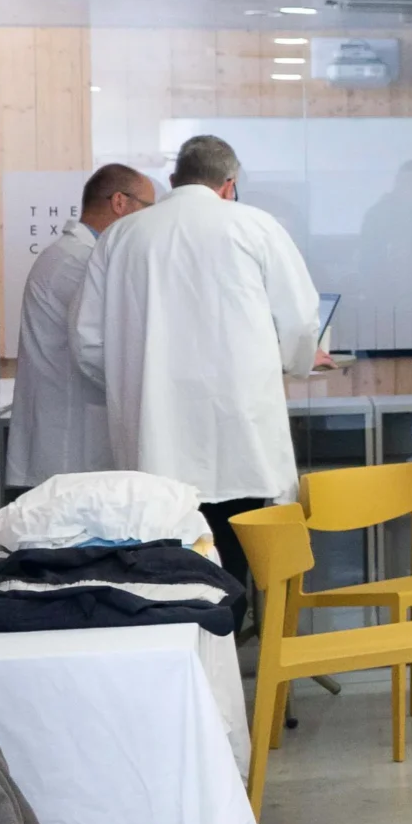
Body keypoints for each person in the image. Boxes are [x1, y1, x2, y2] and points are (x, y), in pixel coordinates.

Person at [73, 134, 321, 598]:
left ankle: (188, 652)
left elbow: (88, 340)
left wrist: (133, 387)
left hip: (155, 435)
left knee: (170, 567)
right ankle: (238, 648)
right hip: (240, 432)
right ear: (229, 184)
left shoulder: (123, 236)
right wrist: (293, 364)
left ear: (172, 180)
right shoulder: (255, 226)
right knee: (239, 550)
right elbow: (301, 323)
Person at [6, 163, 154, 491]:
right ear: (120, 202)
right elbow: (104, 343)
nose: (149, 221)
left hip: (72, 443)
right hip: (68, 448)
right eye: (148, 209)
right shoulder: (79, 261)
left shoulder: (81, 256)